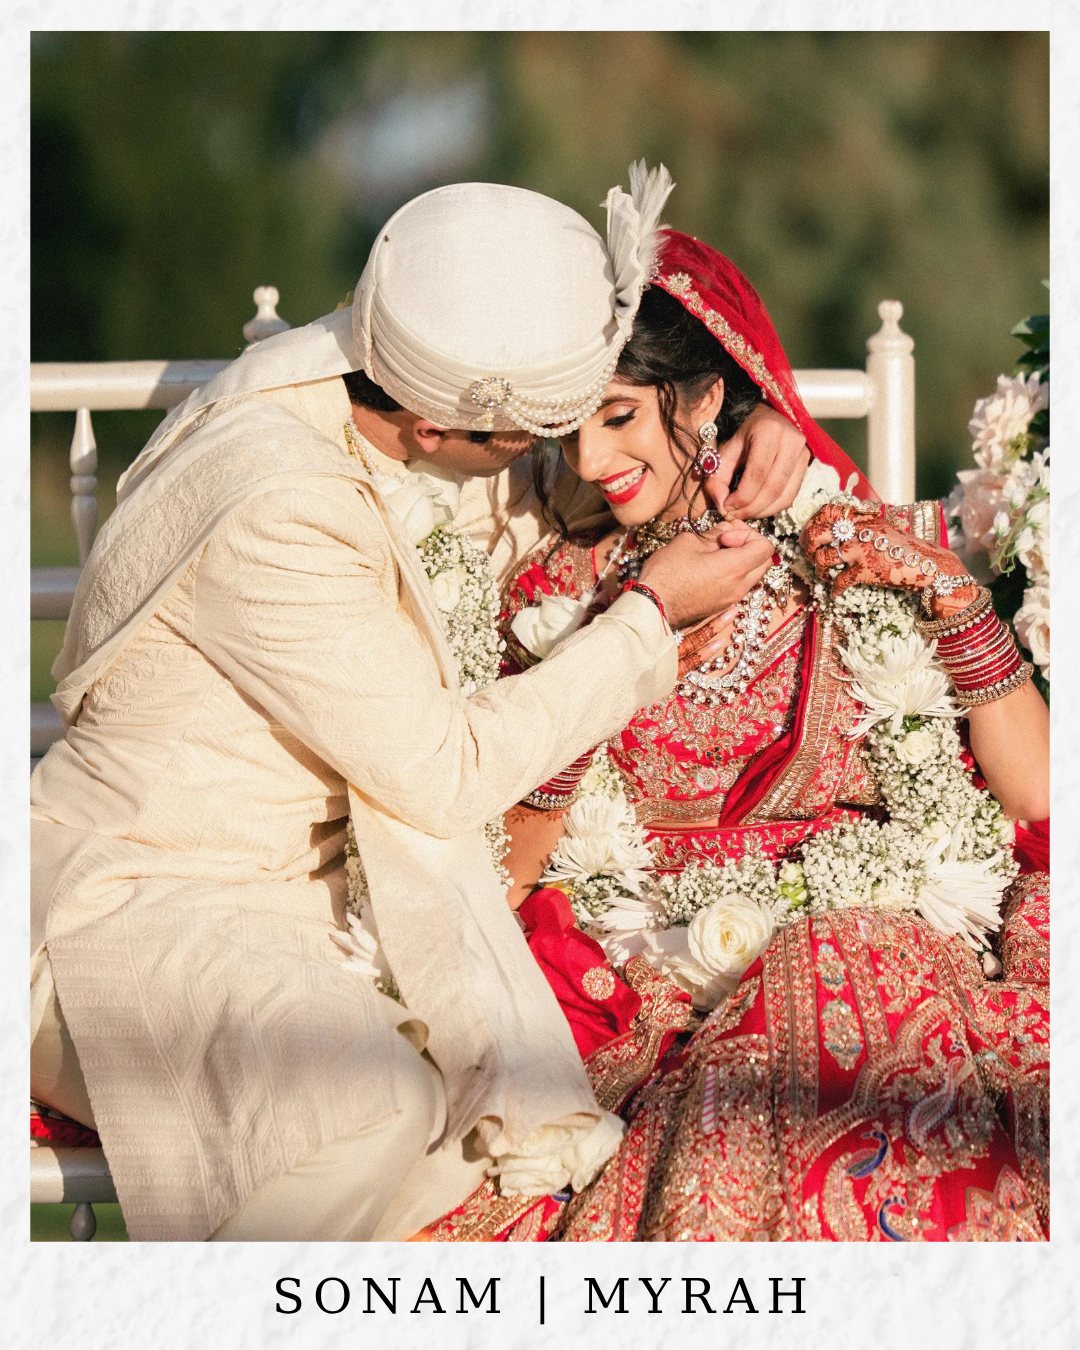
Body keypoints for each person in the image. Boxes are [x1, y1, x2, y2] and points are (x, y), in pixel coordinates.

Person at [29, 168, 812, 1241]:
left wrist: (751, 424)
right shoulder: (279, 504)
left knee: (463, 1162)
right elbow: (443, 772)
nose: (562, 459)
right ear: (448, 424)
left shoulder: (351, 377)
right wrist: (647, 616)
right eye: (540, 433)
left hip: (292, 906)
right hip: (130, 905)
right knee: (374, 1114)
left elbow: (531, 496)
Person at [418, 226, 1049, 1242]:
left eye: (620, 417)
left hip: (876, 964)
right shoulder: (558, 602)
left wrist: (946, 593)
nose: (591, 461)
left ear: (709, 399)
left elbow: (1038, 800)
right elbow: (505, 872)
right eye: (574, 428)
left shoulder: (846, 549)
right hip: (650, 990)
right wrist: (623, 647)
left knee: (844, 956)